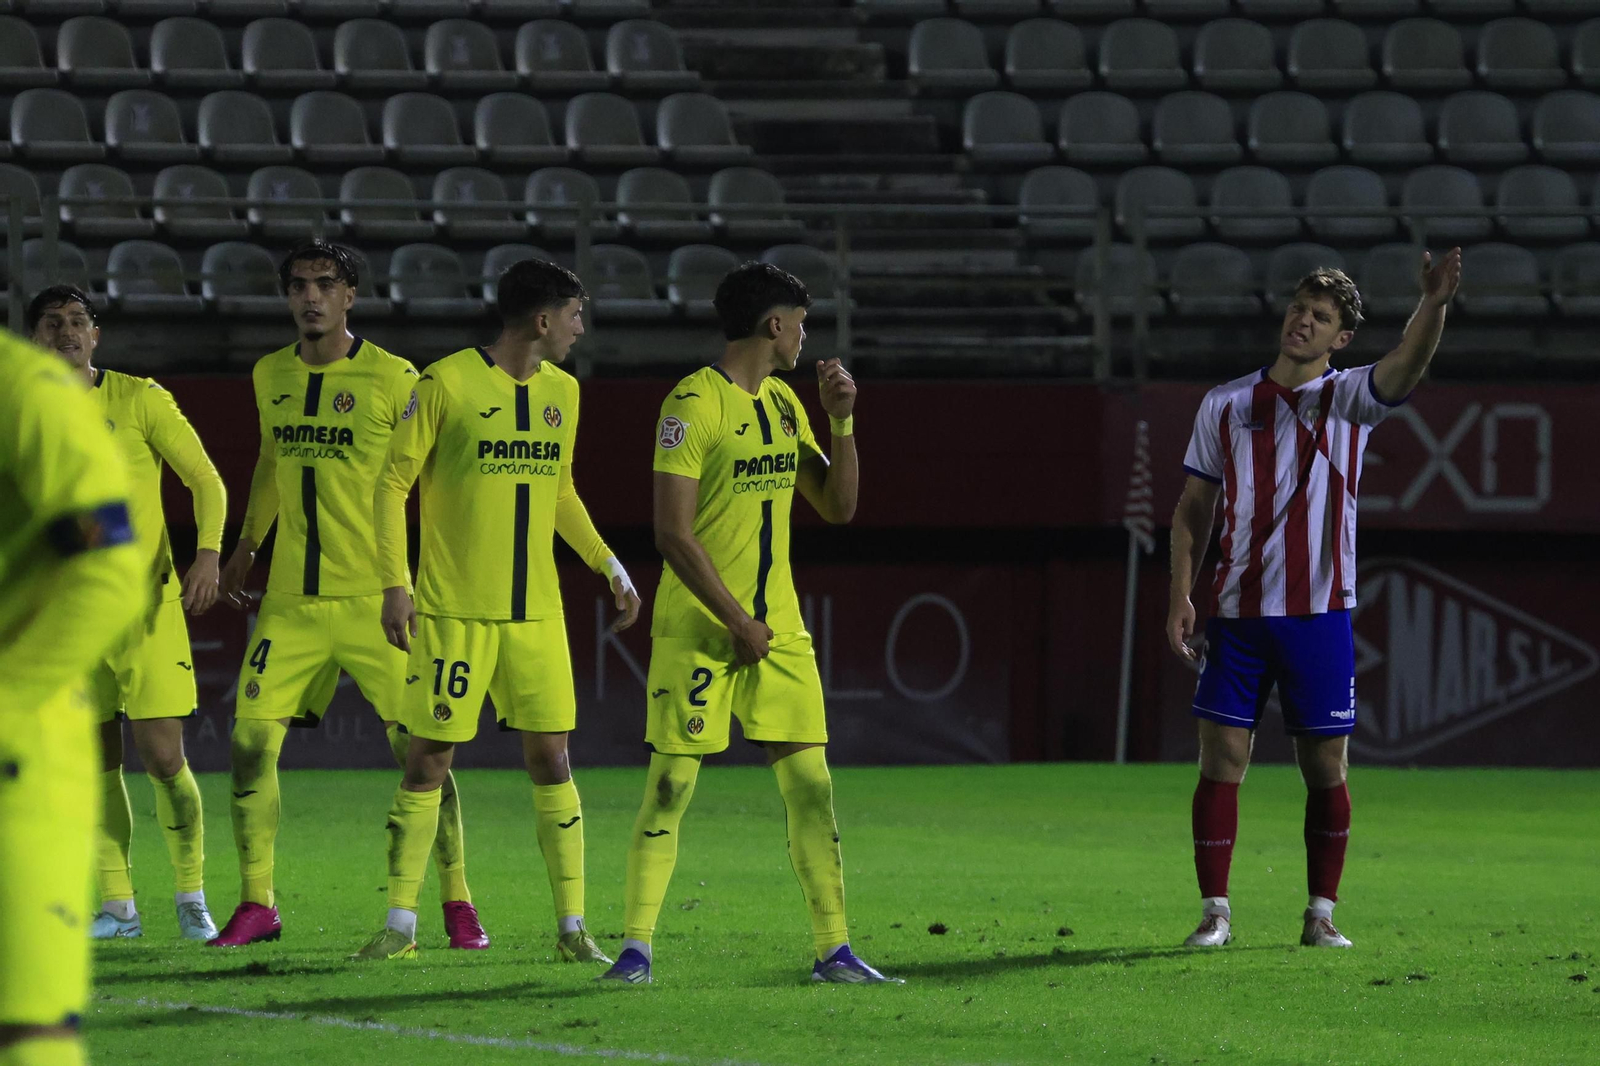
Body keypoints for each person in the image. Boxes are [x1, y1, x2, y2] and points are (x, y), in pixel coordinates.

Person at [599, 262, 898, 986]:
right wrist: (734, 618)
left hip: (780, 632)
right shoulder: (692, 404)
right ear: (774, 324)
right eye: (801, 322)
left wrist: (842, 419)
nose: (805, 336)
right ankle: (634, 950)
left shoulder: (787, 407)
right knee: (670, 785)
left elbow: (838, 506)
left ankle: (835, 951)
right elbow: (671, 533)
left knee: (811, 789)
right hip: (702, 626)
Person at [1166, 251, 1463, 949]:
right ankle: (1215, 913)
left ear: (1340, 340)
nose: (1304, 320)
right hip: (1236, 614)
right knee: (1220, 759)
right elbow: (1192, 510)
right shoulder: (1226, 403)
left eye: (1321, 317)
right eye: (1300, 307)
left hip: (1320, 612)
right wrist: (1181, 593)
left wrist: (1434, 304)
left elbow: (1408, 364)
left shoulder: (1351, 397)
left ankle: (1321, 914)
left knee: (1325, 767)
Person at [351, 258, 640, 962]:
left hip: (536, 614)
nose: (580, 326)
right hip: (453, 613)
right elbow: (392, 485)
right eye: (575, 313)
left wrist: (607, 562)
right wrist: (396, 584)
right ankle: (399, 927)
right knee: (428, 762)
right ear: (542, 319)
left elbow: (560, 489)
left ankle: (573, 930)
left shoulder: (564, 394)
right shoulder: (444, 382)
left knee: (552, 759)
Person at [209, 241, 487, 951]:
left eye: (325, 285)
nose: (311, 297)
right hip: (293, 602)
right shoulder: (269, 373)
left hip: (376, 599)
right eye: (299, 285)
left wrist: (420, 581)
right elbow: (272, 460)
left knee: (423, 755)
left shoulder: (396, 379)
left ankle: (458, 901)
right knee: (246, 743)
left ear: (350, 295)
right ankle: (257, 904)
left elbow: (428, 482)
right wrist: (246, 545)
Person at [29, 286, 227, 943]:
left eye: (77, 321)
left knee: (164, 758)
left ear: (96, 334)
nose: (66, 332)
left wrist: (206, 558)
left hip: (146, 609)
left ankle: (191, 896)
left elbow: (206, 480)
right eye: (53, 324)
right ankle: (118, 907)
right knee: (95, 762)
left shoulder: (140, 398)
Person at [0, 328, 146, 1066]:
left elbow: (108, 567)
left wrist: (11, 698)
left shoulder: (29, 394)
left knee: (27, 1029)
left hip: (17, 762)